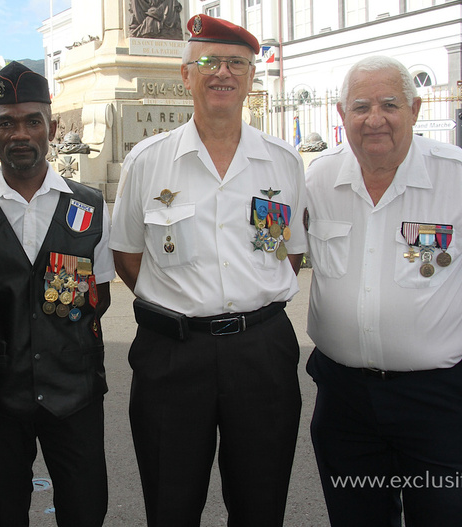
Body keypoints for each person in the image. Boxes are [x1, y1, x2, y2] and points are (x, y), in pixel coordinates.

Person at [304, 55, 462, 527]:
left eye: (390, 104)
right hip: (345, 401)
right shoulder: (318, 179)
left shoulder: (458, 175)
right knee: (356, 516)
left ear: (414, 108)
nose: (375, 119)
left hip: (437, 403)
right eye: (361, 106)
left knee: (454, 514)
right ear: (341, 114)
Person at [110, 14, 306, 527]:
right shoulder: (148, 162)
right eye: (209, 62)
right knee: (171, 506)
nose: (223, 73)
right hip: (173, 356)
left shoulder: (283, 163)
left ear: (250, 77)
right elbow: (128, 256)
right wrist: (179, 299)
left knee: (261, 505)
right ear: (186, 75)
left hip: (261, 352)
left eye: (236, 63)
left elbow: (291, 252)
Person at [0, 61, 114, 527]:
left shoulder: (90, 207)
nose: (20, 133)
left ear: (52, 128)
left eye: (32, 121)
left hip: (74, 393)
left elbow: (99, 296)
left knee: (84, 510)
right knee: (8, 513)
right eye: (7, 122)